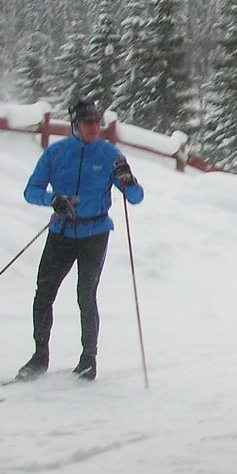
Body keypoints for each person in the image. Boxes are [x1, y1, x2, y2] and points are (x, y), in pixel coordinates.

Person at [19, 99, 144, 383]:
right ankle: (39, 357)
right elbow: (30, 191)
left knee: (85, 295)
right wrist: (54, 200)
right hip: (61, 232)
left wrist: (130, 182)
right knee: (44, 293)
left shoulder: (110, 154)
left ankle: (88, 360)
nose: (94, 128)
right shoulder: (57, 153)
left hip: (95, 233)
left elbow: (136, 199)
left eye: (97, 123)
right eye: (88, 123)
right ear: (75, 125)